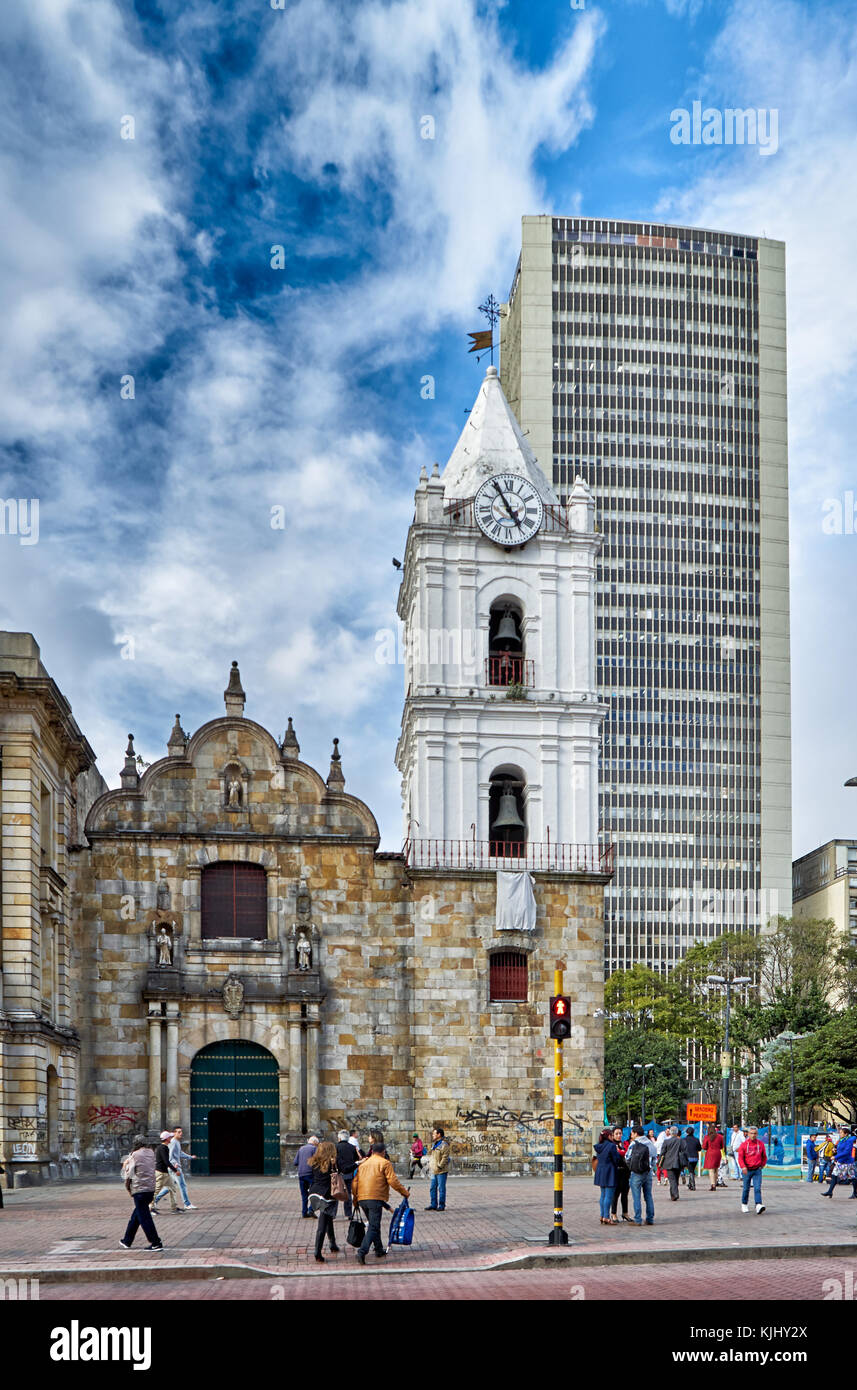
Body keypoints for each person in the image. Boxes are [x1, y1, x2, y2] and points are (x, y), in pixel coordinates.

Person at [352, 1142, 410, 1265]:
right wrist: (404, 1192)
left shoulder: (363, 1164)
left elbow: (355, 1183)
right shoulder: (385, 1163)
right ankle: (362, 1252)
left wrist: (355, 1199)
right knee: (373, 1226)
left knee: (374, 1224)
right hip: (375, 1198)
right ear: (383, 1152)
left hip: (362, 1198)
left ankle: (378, 1249)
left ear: (372, 1151)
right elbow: (393, 1181)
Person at [119, 1135, 163, 1251]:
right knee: (137, 1215)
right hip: (150, 1188)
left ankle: (156, 1242)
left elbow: (130, 1174)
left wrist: (128, 1186)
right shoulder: (151, 1152)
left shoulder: (134, 1155)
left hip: (139, 1190)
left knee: (145, 1218)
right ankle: (127, 1240)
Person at [307, 1140, 341, 1262]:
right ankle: (317, 1251)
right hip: (326, 1196)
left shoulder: (314, 1162)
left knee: (328, 1219)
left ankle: (333, 1243)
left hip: (314, 1193)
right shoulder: (332, 1164)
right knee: (322, 1223)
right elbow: (343, 1171)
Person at [626, 1126, 657, 1226]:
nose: (631, 1135)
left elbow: (627, 1157)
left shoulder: (634, 1144)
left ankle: (638, 1219)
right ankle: (650, 1218)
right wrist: (650, 1168)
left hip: (636, 1173)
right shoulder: (650, 1143)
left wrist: (631, 1166)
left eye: (632, 1133)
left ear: (635, 1133)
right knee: (648, 1196)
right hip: (648, 1173)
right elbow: (654, 1159)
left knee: (636, 1197)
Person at [166, 1126, 198, 1210]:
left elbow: (180, 1153)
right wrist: (175, 1165)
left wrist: (190, 1157)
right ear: (174, 1133)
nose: (181, 1133)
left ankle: (154, 1201)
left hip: (174, 1167)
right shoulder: (173, 1142)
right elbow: (170, 1156)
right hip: (175, 1168)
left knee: (169, 1187)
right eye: (179, 1132)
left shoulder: (176, 1142)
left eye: (181, 1132)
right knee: (182, 1185)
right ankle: (187, 1204)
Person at [737, 1124, 767, 1214]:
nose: (753, 1135)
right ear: (748, 1134)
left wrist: (762, 1165)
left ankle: (758, 1205)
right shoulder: (743, 1145)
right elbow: (740, 1157)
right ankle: (744, 1204)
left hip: (757, 1170)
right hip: (747, 1170)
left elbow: (764, 1156)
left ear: (757, 1134)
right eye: (751, 1133)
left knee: (757, 1188)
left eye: (755, 1133)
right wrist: (743, 1167)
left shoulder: (760, 1144)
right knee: (746, 1188)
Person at [821, 1126, 857, 1198]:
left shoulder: (849, 1141)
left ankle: (855, 1193)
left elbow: (846, 1152)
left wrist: (835, 1157)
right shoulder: (841, 1140)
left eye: (841, 1133)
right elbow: (840, 1148)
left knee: (853, 1178)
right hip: (841, 1162)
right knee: (834, 1175)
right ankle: (830, 1191)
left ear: (846, 1134)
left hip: (847, 1162)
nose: (840, 1134)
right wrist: (835, 1150)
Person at [593, 1127, 620, 1225]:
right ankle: (606, 1217)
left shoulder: (599, 1146)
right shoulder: (611, 1146)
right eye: (612, 1135)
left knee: (603, 1195)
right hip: (610, 1171)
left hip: (601, 1171)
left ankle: (602, 1215)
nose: (613, 1137)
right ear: (609, 1136)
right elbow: (616, 1159)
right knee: (609, 1196)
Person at [152, 1130, 182, 1214]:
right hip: (161, 1173)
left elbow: (165, 1161)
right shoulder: (163, 1148)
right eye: (170, 1137)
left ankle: (174, 1207)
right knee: (156, 1191)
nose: (171, 1138)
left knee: (172, 1188)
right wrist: (175, 1170)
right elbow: (166, 1161)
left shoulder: (161, 1147)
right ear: (167, 1139)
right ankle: (150, 1208)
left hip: (164, 1173)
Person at [610, 1126, 633, 1222]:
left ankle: (625, 1213)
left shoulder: (624, 1143)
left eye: (620, 1133)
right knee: (615, 1194)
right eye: (616, 1134)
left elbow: (628, 1153)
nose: (619, 1135)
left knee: (625, 1193)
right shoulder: (611, 1145)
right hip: (616, 1172)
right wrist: (621, 1152)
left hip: (625, 1171)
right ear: (613, 1135)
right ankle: (613, 1213)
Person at [425, 1125, 451, 1211]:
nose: (433, 1135)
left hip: (441, 1170)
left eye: (434, 1134)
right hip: (433, 1170)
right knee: (432, 1188)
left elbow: (445, 1157)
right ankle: (433, 1204)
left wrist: (440, 1166)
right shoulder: (434, 1144)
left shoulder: (444, 1145)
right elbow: (432, 1156)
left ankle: (441, 1205)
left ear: (439, 1134)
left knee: (441, 1188)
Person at [335, 1129, 358, 1218]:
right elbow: (356, 1159)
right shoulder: (352, 1147)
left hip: (338, 1173)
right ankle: (348, 1213)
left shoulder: (336, 1147)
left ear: (339, 1138)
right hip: (349, 1173)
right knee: (348, 1193)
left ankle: (333, 1213)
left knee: (336, 1193)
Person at [294, 1135, 319, 1217]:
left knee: (304, 1194)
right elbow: (317, 1162)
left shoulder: (301, 1148)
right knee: (316, 1192)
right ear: (315, 1142)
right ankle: (311, 1209)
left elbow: (295, 1162)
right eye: (317, 1144)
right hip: (311, 1174)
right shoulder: (314, 1149)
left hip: (301, 1174)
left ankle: (304, 1212)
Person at [660, 1126, 687, 1201]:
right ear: (677, 1132)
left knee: (672, 1179)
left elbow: (662, 1152)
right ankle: (673, 1194)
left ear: (670, 1133)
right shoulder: (681, 1141)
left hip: (669, 1162)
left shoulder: (666, 1141)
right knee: (676, 1178)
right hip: (678, 1162)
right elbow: (685, 1151)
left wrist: (660, 1161)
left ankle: (674, 1194)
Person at [702, 1123, 726, 1190]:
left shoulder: (707, 1137)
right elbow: (722, 1146)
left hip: (710, 1153)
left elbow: (704, 1147)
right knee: (716, 1169)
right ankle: (715, 1183)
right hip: (718, 1153)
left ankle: (713, 1184)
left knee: (711, 1170)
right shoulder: (720, 1137)